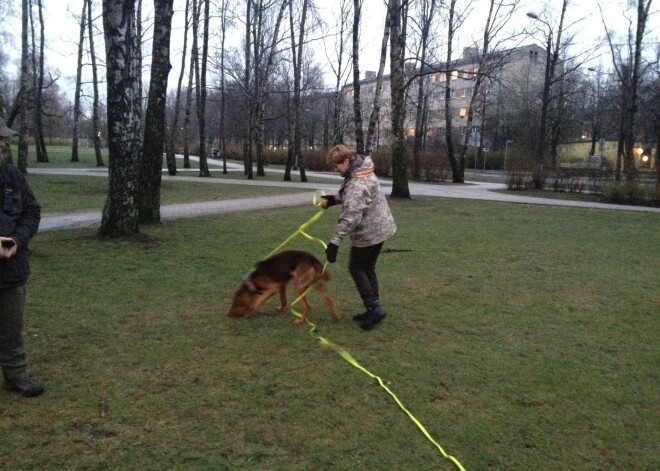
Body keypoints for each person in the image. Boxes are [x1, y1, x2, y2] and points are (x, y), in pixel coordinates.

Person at [321, 144, 396, 330]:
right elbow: (351, 196)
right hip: (380, 228)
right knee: (367, 268)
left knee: (356, 268)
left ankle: (374, 309)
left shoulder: (358, 182)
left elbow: (351, 217)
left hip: (370, 232)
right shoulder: (359, 171)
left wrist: (334, 242)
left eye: (336, 165)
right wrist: (333, 199)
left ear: (347, 161)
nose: (335, 169)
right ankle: (373, 308)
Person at [0, 117, 43, 397]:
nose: (3, 144)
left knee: (12, 330)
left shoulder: (13, 176)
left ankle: (16, 376)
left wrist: (18, 240)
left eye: (2, 140)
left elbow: (32, 212)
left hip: (11, 270)